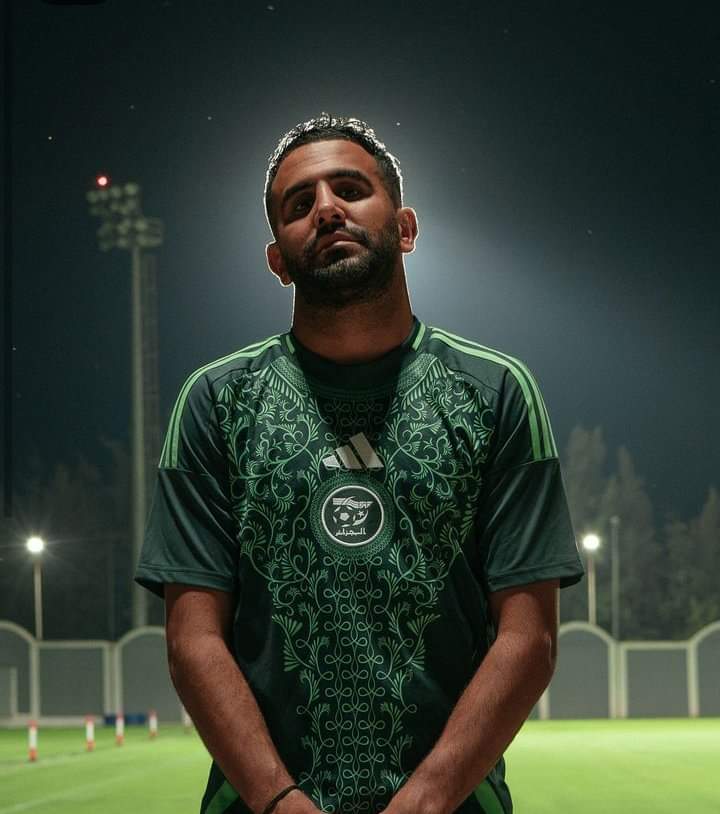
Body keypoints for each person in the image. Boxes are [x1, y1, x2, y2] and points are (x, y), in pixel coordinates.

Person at [135, 111, 584, 814]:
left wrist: (427, 799)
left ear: (405, 227)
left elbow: (529, 637)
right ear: (277, 260)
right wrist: (279, 800)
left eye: (349, 189)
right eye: (299, 204)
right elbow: (193, 641)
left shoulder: (496, 391)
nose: (326, 209)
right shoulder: (215, 401)